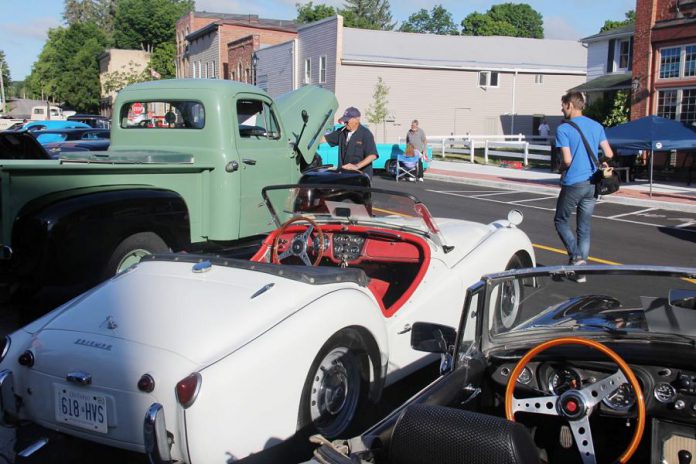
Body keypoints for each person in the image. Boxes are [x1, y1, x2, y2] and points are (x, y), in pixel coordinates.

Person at [554, 91, 614, 282]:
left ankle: (576, 257)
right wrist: (602, 162)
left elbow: (567, 160)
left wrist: (560, 168)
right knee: (584, 228)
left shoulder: (563, 129)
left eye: (563, 105)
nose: (561, 109)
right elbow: (609, 153)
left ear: (570, 105)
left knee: (560, 220)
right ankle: (581, 273)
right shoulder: (596, 126)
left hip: (574, 183)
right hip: (593, 183)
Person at [324, 107, 378, 178]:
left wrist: (356, 166)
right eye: (344, 121)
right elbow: (324, 139)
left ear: (356, 120)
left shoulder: (366, 134)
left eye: (347, 121)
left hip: (361, 177)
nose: (345, 123)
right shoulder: (341, 132)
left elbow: (373, 155)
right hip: (344, 175)